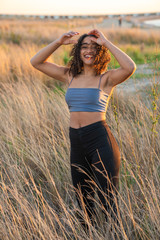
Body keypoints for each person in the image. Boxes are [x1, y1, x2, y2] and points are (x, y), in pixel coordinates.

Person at [30, 29, 136, 233]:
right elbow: (36, 62)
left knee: (108, 199)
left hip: (99, 139)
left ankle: (113, 235)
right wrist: (58, 41)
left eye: (95, 48)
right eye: (85, 46)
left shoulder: (106, 79)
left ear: (101, 52)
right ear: (78, 51)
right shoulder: (68, 75)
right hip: (76, 140)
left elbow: (130, 66)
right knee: (83, 198)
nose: (89, 51)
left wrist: (106, 42)